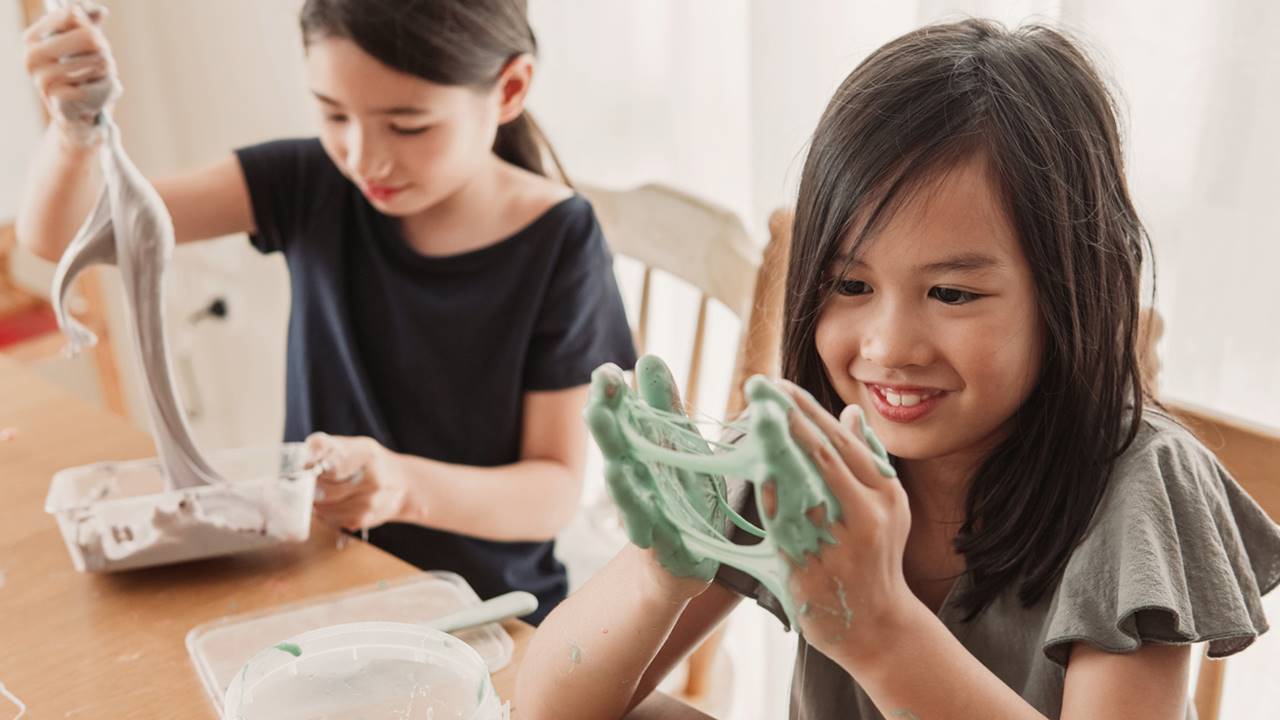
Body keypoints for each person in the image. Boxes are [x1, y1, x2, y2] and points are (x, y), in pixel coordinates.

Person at [515, 18, 1280, 716]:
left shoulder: (1143, 492)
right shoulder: (802, 454)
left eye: (951, 292)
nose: (888, 345)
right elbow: (542, 705)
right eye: (850, 285)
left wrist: (877, 626)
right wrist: (658, 572)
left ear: (1068, 294)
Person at [18, 0, 636, 624]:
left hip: (487, 609)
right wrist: (74, 131)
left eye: (409, 124)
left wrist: (401, 486)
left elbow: (552, 492)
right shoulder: (308, 180)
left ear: (510, 88)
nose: (363, 157)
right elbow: (64, 234)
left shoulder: (560, 239)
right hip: (322, 585)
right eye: (333, 113)